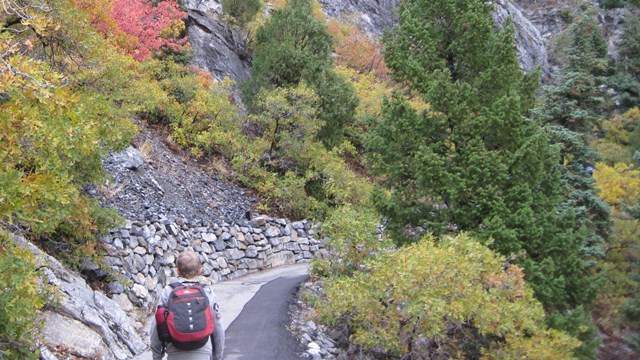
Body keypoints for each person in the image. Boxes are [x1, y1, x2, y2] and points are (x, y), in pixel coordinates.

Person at [150, 250, 225, 360]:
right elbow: (217, 327)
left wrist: (157, 356)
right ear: (199, 271)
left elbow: (157, 324)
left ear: (177, 271)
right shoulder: (207, 292)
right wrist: (217, 356)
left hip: (174, 352)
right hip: (203, 352)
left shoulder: (168, 291)